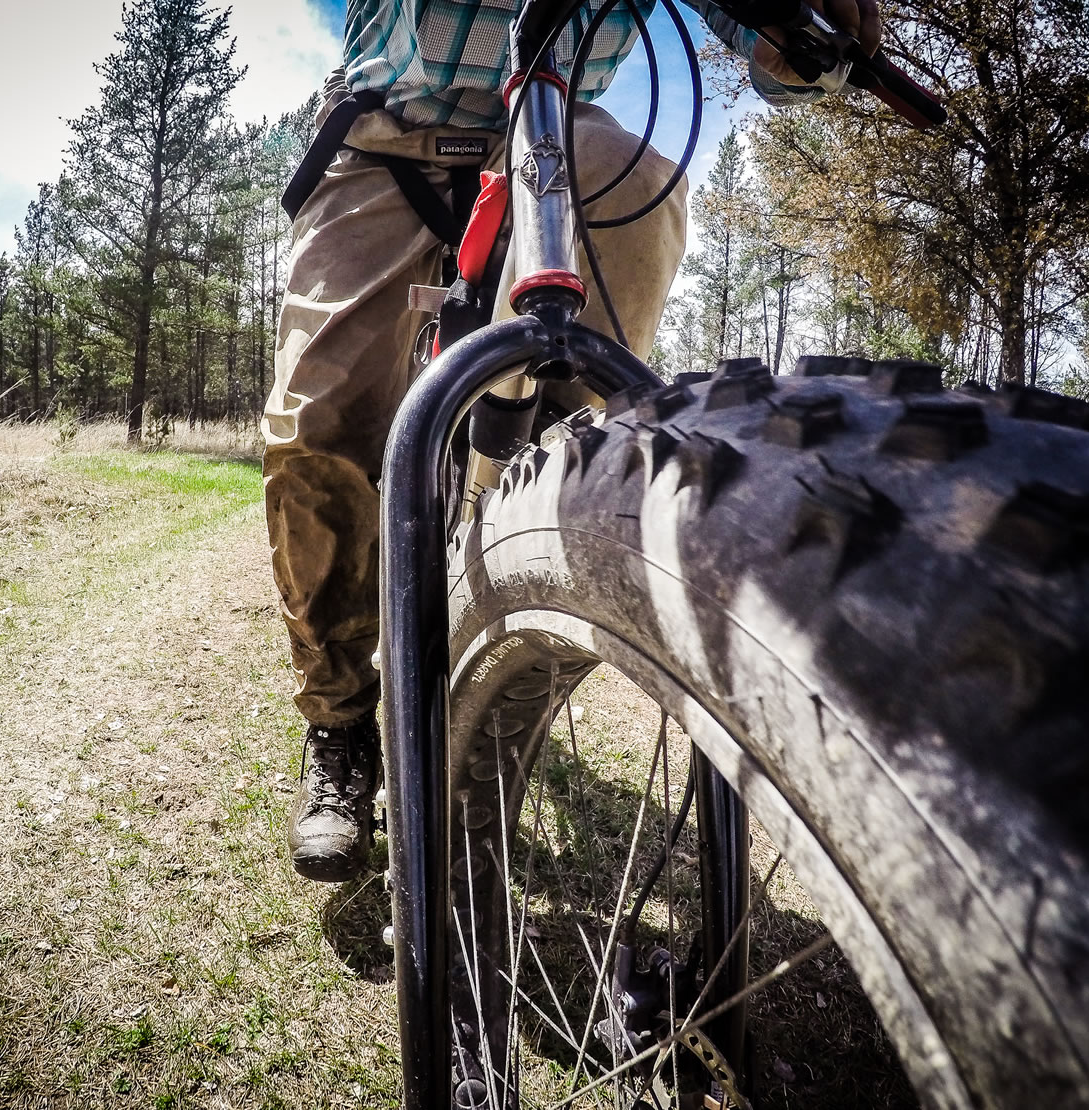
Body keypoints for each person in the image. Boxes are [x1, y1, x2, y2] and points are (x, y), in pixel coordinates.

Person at [265, 0, 880, 882]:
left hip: (549, 132)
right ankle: (340, 727)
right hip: (381, 140)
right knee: (315, 431)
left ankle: (512, 679)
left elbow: (764, 33)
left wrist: (801, 43)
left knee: (592, 425)